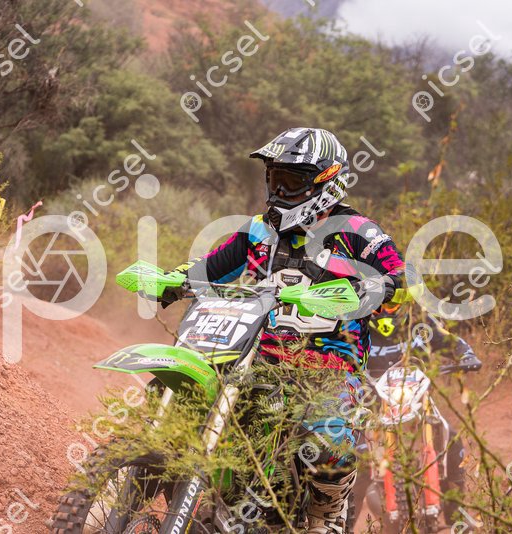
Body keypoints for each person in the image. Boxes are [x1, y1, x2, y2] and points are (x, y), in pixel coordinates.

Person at [161, 127, 406, 533]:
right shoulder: (258, 230)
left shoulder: (358, 232)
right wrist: (172, 280)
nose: (278, 190)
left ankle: (326, 514)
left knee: (327, 443)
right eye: (275, 178)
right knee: (195, 402)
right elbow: (210, 267)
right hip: (257, 358)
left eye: (291, 181)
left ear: (326, 182)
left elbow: (400, 275)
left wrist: (376, 287)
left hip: (328, 368)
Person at [358, 296, 482, 525]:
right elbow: (340, 351)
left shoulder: (420, 321)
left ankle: (457, 516)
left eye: (392, 302)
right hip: (374, 403)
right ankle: (343, 523)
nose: (385, 309)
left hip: (417, 400)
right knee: (356, 457)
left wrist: (465, 354)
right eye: (380, 304)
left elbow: (448, 340)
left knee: (452, 440)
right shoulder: (358, 326)